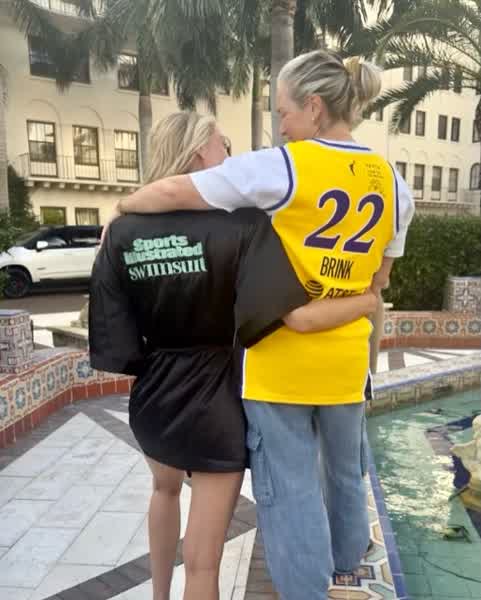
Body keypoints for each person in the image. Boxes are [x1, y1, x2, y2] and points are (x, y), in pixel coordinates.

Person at [104, 51, 415, 599]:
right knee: (344, 472)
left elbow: (174, 192)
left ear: (314, 107)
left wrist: (121, 211)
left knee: (288, 489)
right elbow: (378, 282)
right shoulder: (392, 182)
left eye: (284, 112)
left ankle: (304, 590)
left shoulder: (283, 167)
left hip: (273, 366)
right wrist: (358, 299)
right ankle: (347, 564)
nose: (281, 125)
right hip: (342, 366)